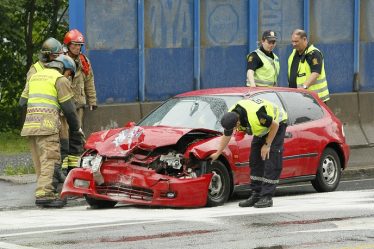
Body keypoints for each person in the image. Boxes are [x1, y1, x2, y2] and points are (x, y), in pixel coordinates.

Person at [19, 54, 83, 208]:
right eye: (69, 74)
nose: (68, 78)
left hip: (30, 126)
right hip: (47, 125)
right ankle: (45, 194)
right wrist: (76, 129)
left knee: (40, 160)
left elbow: (22, 102)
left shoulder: (35, 77)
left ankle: (42, 188)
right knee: (51, 159)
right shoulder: (59, 80)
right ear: (64, 68)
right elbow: (70, 110)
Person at [210, 98, 288, 208]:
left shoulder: (257, 116)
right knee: (255, 160)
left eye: (235, 127)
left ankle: (266, 197)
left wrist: (267, 145)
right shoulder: (231, 116)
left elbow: (274, 125)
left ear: (237, 122)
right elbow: (227, 135)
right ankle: (256, 194)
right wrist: (218, 153)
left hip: (278, 124)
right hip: (262, 130)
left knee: (272, 160)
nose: (235, 129)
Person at [21, 37, 66, 186]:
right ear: (47, 55)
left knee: (54, 154)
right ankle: (43, 188)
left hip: (55, 119)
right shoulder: (35, 70)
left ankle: (52, 184)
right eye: (56, 55)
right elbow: (25, 98)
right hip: (40, 120)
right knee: (41, 158)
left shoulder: (58, 68)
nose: (59, 58)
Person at [62, 29, 97, 173]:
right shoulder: (61, 61)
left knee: (77, 135)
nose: (77, 48)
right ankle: (62, 170)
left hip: (79, 105)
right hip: (64, 106)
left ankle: (74, 168)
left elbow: (89, 81)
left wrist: (92, 100)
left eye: (80, 45)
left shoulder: (84, 61)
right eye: (75, 45)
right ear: (68, 45)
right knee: (64, 137)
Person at [288, 29, 330, 102]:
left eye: (296, 41)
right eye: (292, 41)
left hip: (314, 99)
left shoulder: (314, 53)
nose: (294, 44)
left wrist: (304, 87)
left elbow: (316, 73)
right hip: (298, 97)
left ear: (304, 39)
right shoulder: (294, 53)